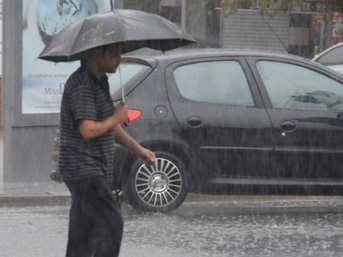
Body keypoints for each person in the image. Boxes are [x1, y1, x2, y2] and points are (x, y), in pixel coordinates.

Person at [58, 42, 155, 257]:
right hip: (82, 168)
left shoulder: (99, 81)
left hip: (89, 167)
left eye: (120, 53)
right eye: (113, 54)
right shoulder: (83, 85)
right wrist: (115, 117)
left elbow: (110, 125)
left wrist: (139, 150)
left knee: (81, 232)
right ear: (96, 54)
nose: (118, 59)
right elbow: (88, 129)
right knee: (112, 224)